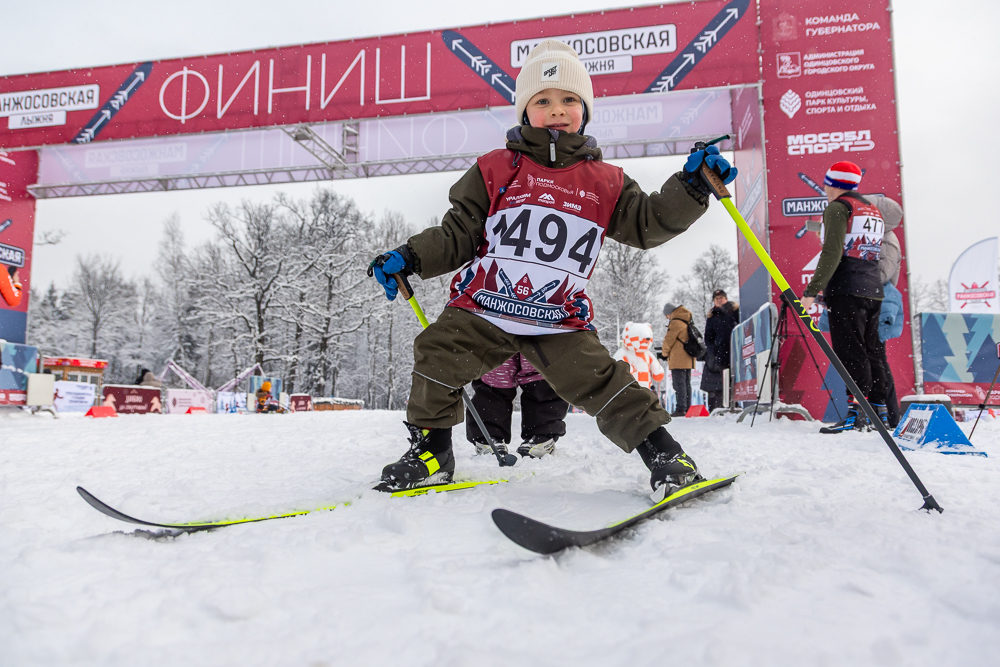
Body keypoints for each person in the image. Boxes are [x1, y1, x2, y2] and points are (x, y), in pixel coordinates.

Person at [366, 40, 736, 499]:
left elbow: (650, 223)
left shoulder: (607, 182)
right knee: (437, 354)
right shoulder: (495, 169)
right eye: (542, 101)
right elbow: (457, 233)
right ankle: (431, 455)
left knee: (606, 382)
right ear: (525, 112)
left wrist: (692, 187)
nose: (556, 109)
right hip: (486, 305)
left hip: (556, 316)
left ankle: (664, 456)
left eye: (568, 100)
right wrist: (412, 256)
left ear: (584, 110)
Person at [800, 161, 887, 433]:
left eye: (827, 183)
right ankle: (880, 411)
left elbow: (832, 252)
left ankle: (856, 413)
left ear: (833, 184)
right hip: (873, 288)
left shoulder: (838, 207)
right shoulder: (872, 208)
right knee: (873, 350)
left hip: (847, 288)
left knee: (851, 351)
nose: (825, 188)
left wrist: (811, 291)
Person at [465, 353, 568, 459]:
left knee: (540, 370)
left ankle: (542, 433)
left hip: (541, 339)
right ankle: (488, 434)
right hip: (498, 339)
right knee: (496, 372)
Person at [869, 195, 905, 427]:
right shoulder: (879, 237)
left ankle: (889, 415)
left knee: (877, 360)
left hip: (876, 306)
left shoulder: (887, 242)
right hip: (873, 305)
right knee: (874, 360)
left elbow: (879, 276)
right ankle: (884, 413)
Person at [702, 290, 740, 411]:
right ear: (714, 301)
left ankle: (736, 404)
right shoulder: (712, 316)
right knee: (724, 381)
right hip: (721, 353)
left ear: (726, 298)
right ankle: (726, 405)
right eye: (717, 298)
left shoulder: (735, 311)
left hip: (736, 351)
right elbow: (708, 336)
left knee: (737, 379)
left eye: (721, 297)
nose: (719, 300)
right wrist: (714, 350)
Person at [661, 303, 696, 417]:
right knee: (686, 384)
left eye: (667, 315)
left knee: (679, 384)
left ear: (671, 313)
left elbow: (668, 341)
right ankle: (688, 407)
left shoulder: (676, 322)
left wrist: (664, 353)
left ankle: (681, 408)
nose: (667, 318)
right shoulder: (686, 320)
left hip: (678, 359)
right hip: (688, 357)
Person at [614, 322, 665, 391]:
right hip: (628, 389)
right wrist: (626, 370)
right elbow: (617, 369)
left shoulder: (648, 354)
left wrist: (658, 372)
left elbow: (657, 372)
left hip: (646, 389)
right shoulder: (623, 353)